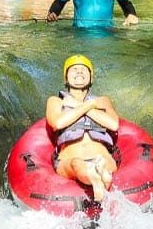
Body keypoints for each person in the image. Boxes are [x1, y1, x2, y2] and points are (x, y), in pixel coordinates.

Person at [46, 54, 119, 201]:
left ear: (91, 78)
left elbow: (113, 124)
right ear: (66, 78)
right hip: (70, 159)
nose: (79, 71)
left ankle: (100, 169)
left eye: (84, 70)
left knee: (102, 161)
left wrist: (82, 105)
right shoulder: (55, 101)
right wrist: (89, 106)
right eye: (74, 69)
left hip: (102, 156)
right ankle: (95, 172)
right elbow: (58, 123)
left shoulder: (102, 101)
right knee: (77, 164)